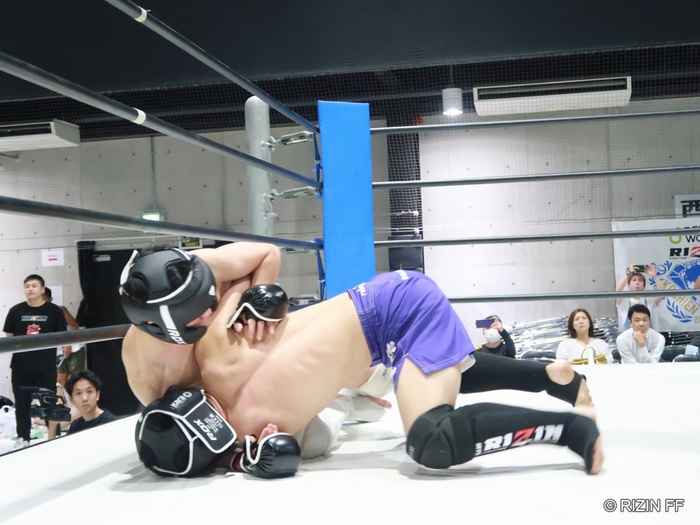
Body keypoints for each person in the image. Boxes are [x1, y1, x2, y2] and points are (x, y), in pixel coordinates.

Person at [121, 250, 603, 478]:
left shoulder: (237, 401)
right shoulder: (215, 349)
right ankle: (551, 378)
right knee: (432, 371)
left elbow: (299, 443)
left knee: (431, 438)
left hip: (397, 313)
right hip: (384, 309)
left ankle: (570, 431)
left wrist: (242, 459)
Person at [3, 274, 68, 448]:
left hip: (45, 367)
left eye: (33, 286)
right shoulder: (16, 311)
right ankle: (23, 438)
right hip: (21, 367)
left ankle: (53, 437)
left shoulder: (54, 311)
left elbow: (62, 336)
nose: (30, 289)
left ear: (42, 289)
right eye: (27, 286)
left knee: (49, 403)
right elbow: (10, 336)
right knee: (22, 405)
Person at [43, 287, 84, 386]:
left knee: (76, 380)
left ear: (50, 299)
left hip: (73, 348)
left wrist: (68, 344)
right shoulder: (36, 314)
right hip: (56, 351)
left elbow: (75, 326)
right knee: (59, 381)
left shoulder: (60, 310)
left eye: (43, 299)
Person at [615, 263, 667, 331]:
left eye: (640, 280)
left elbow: (662, 293)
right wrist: (628, 274)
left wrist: (655, 276)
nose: (637, 282)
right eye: (634, 280)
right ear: (629, 285)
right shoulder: (624, 300)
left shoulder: (649, 300)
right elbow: (617, 291)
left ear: (644, 286)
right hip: (630, 336)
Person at [63, 369, 117, 434]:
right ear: (71, 399)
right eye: (78, 393)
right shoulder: (75, 426)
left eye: (89, 391)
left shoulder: (111, 423)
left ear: (97, 394)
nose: (84, 398)